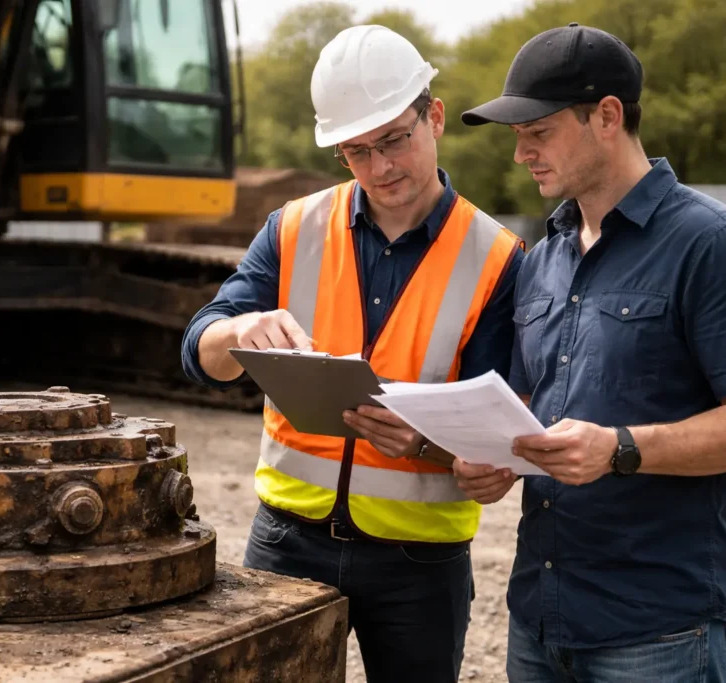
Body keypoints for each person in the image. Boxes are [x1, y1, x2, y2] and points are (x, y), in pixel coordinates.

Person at [180, 24, 525, 683]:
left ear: (436, 118)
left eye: (394, 138)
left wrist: (426, 445)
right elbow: (199, 350)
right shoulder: (292, 228)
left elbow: (500, 434)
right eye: (356, 150)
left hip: (420, 562)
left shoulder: (498, 259)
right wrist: (238, 331)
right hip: (286, 540)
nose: (380, 167)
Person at [456, 22, 726, 683]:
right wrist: (501, 459)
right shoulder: (543, 259)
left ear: (607, 115)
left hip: (660, 633)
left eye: (539, 131)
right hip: (539, 621)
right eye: (516, 137)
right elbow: (534, 404)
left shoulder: (715, 245)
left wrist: (621, 448)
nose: (522, 153)